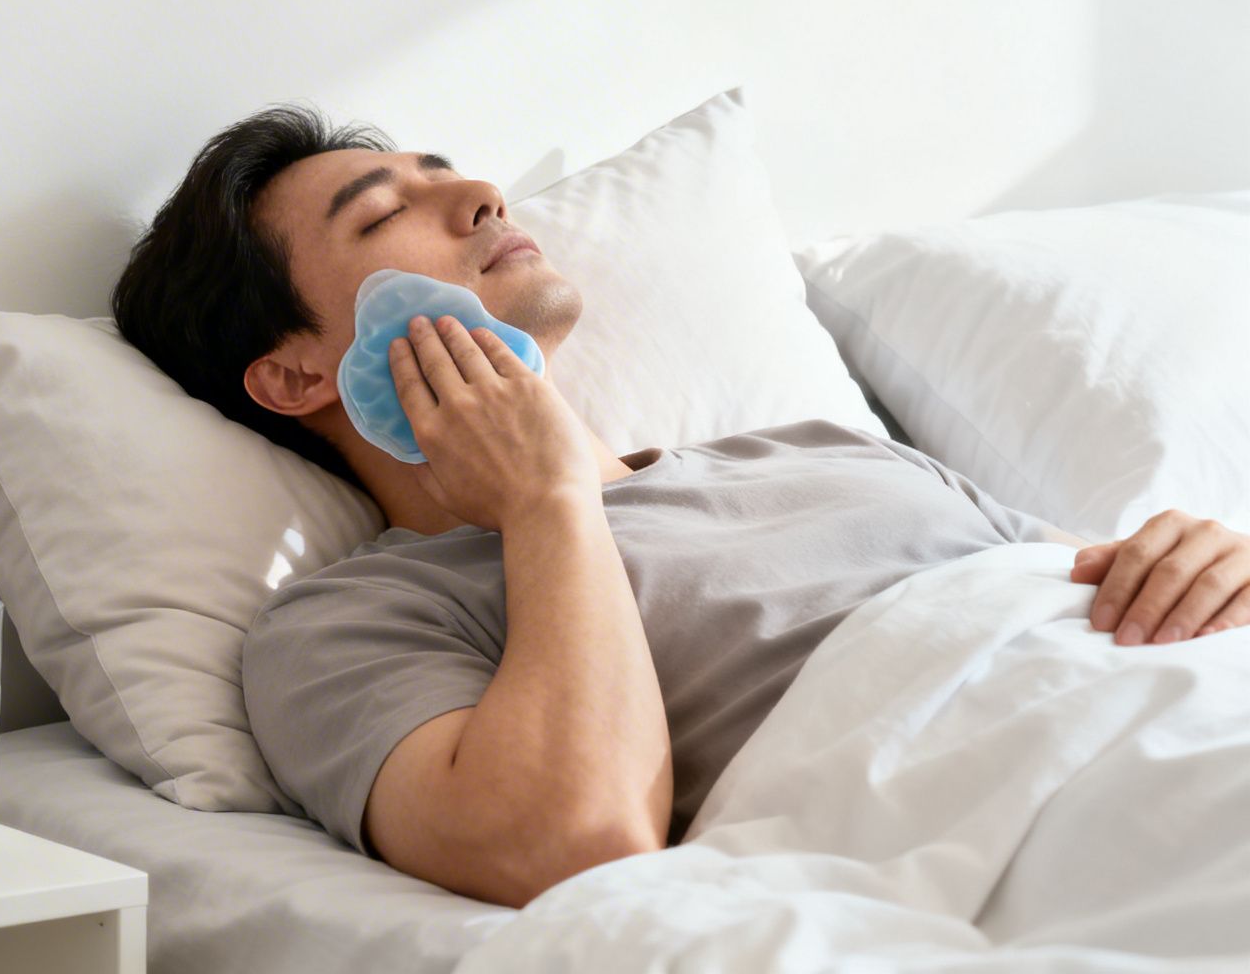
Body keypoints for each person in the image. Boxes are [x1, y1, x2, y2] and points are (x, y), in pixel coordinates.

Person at [109, 103, 1250, 909]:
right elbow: (571, 847)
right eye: (381, 213)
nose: (477, 194)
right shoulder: (346, 627)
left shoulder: (823, 448)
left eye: (447, 166)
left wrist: (1209, 562)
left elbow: (1105, 592)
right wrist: (547, 496)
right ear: (297, 374)